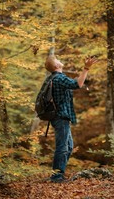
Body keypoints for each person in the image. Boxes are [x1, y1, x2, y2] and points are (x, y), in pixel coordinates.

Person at [43, 55, 98, 183]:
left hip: (60, 118)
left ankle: (58, 173)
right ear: (56, 66)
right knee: (62, 147)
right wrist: (86, 68)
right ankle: (56, 176)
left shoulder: (55, 79)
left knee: (68, 146)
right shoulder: (59, 78)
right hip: (60, 117)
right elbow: (78, 84)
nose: (59, 60)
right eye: (57, 60)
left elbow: (74, 82)